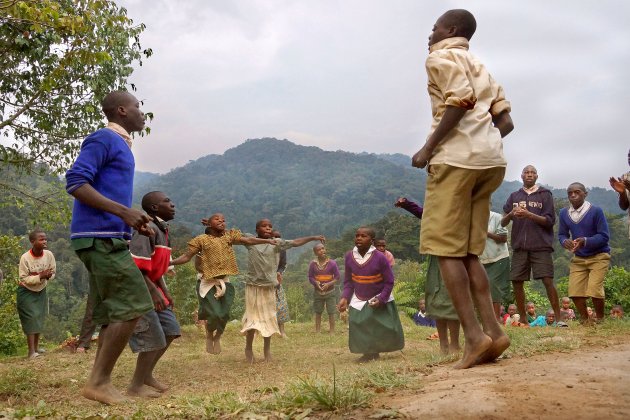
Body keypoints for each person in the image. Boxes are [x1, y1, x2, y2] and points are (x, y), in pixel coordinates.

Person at [411, 9, 513, 368]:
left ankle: (472, 338)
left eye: (434, 26)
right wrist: (480, 140)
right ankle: (494, 333)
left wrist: (427, 149)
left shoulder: (440, 57)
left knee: (446, 251)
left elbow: (459, 99)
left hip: (455, 162)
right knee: (470, 252)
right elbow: (505, 121)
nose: (430, 33)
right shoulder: (481, 65)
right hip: (491, 162)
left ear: (450, 30)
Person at [65, 90, 154, 404]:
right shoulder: (104, 139)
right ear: (121, 110)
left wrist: (128, 221)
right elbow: (75, 181)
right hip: (98, 237)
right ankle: (99, 382)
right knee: (132, 305)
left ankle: (99, 381)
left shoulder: (121, 145)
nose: (142, 112)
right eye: (137, 106)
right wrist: (123, 212)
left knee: (113, 312)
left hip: (108, 236)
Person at [171, 213, 276, 354]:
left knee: (224, 314)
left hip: (225, 282)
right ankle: (209, 334)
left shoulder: (228, 237)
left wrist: (266, 241)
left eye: (223, 220)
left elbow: (248, 240)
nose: (221, 221)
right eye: (217, 219)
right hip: (208, 282)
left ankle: (217, 337)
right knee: (214, 314)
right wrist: (170, 262)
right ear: (209, 223)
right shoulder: (201, 240)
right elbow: (186, 256)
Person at [241, 219, 324, 363]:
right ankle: (248, 348)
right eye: (264, 226)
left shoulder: (276, 244)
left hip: (269, 287)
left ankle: (267, 350)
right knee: (252, 319)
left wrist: (313, 238)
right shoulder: (251, 242)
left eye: (270, 226)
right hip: (253, 287)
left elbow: (296, 242)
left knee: (269, 319)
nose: (268, 228)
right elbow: (234, 237)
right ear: (257, 229)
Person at [126, 191, 179, 398]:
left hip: (153, 287)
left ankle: (146, 375)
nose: (172, 204)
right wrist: (154, 292)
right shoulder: (146, 230)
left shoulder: (163, 230)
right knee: (153, 335)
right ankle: (135, 386)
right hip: (140, 289)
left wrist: (164, 292)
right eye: (167, 201)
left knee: (171, 330)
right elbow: (136, 266)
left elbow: (157, 268)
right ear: (155, 208)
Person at [395, 197, 460, 355]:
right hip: (435, 258)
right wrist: (406, 204)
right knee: (435, 301)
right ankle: (443, 344)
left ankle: (455, 344)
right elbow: (423, 213)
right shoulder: (435, 216)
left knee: (451, 301)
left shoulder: (458, 214)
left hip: (453, 258)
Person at [502, 165, 562, 325]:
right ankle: (523, 319)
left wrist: (529, 214)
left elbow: (550, 221)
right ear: (521, 176)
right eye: (526, 172)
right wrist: (511, 214)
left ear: (537, 176)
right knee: (517, 281)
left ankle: (559, 318)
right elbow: (503, 221)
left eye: (532, 173)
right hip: (520, 246)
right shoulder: (515, 195)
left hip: (541, 245)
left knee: (547, 280)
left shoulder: (545, 195)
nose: (529, 175)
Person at [337, 227, 404, 362]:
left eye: (363, 236)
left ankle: (375, 351)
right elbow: (349, 281)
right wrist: (345, 297)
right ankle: (368, 352)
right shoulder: (350, 256)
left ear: (372, 240)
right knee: (358, 322)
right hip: (359, 295)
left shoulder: (380, 258)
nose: (359, 238)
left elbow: (389, 281)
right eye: (357, 236)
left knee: (380, 325)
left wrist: (381, 298)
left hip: (377, 294)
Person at [558, 182, 611, 323]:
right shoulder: (564, 213)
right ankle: (585, 320)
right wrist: (565, 242)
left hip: (599, 256)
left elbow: (604, 236)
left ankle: (600, 319)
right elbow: (561, 235)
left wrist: (585, 241)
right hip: (579, 257)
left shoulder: (596, 211)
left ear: (585, 194)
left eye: (577, 192)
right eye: (570, 193)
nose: (573, 195)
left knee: (594, 289)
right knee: (574, 291)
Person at [18, 229, 56, 359]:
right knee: (31, 318)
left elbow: (53, 272)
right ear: (32, 242)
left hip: (41, 290)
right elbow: (23, 278)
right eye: (41, 239)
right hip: (26, 291)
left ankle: (37, 348)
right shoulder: (25, 258)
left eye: (45, 239)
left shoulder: (49, 255)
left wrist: (48, 276)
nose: (45, 241)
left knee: (39, 317)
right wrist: (40, 276)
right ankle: (31, 352)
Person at [480, 211, 511, 321]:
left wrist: (486, 233)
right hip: (481, 258)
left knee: (494, 286)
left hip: (498, 257)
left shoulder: (496, 217)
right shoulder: (471, 217)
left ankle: (496, 319)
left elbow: (503, 239)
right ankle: (485, 318)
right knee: (481, 287)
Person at [308, 243, 340, 333]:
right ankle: (317, 331)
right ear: (315, 253)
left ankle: (332, 331)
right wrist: (315, 283)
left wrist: (328, 284)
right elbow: (310, 277)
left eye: (323, 248)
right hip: (317, 292)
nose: (322, 250)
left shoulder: (332, 263)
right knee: (318, 312)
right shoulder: (313, 264)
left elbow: (337, 277)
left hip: (330, 292)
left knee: (331, 312)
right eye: (319, 250)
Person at [608, 148, 630, 238]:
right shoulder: (625, 177)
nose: (629, 158)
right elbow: (624, 207)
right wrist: (622, 193)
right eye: (629, 155)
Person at [273, 230, 290, 339]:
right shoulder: (262, 248)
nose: (276, 239)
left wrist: (279, 272)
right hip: (263, 283)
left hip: (276, 282)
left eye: (278, 237)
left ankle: (282, 331)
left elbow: (283, 264)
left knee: (281, 306)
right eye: (274, 237)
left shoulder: (282, 250)